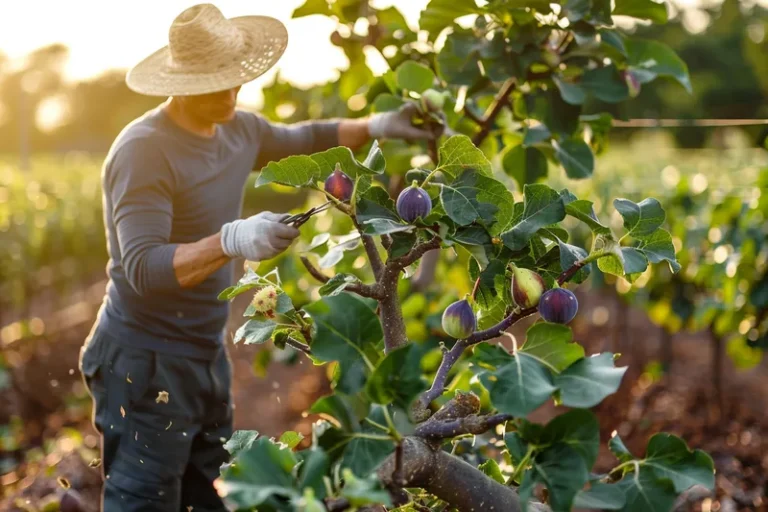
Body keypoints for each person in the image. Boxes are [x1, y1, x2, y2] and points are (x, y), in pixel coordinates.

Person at [76, 3, 442, 511]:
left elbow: (311, 137)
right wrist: (230, 240)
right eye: (213, 83)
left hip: (204, 351)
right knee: (145, 502)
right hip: (145, 362)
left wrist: (379, 123)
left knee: (207, 496)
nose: (229, 92)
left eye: (236, 79)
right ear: (179, 81)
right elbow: (142, 269)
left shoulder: (240, 130)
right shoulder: (144, 150)